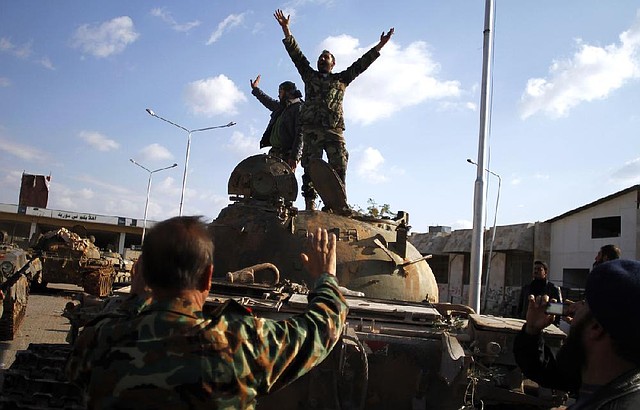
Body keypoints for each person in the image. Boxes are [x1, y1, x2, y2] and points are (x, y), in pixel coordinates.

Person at [65, 216, 348, 409]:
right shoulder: (240, 342)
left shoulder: (98, 339)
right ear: (208, 278)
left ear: (140, 273)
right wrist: (326, 277)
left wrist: (135, 298)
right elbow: (322, 327)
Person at [274, 9, 394, 212]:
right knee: (310, 167)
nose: (322, 59)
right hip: (311, 130)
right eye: (320, 57)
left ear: (333, 63)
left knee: (339, 166)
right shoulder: (309, 76)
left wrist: (380, 46)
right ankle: (310, 202)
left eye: (326, 57)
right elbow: (297, 56)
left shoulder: (342, 79)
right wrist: (287, 30)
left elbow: (361, 64)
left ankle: (338, 204)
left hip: (333, 130)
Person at [513, 259, 640, 408]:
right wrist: (532, 331)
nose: (574, 308)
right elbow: (545, 372)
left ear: (596, 327)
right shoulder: (597, 378)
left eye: (584, 303)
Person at [250, 74, 304, 171]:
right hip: (275, 152)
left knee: (283, 182)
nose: (278, 95)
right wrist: (256, 90)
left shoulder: (299, 108)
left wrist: (295, 156)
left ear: (288, 93)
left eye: (280, 92)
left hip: (287, 154)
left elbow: (301, 134)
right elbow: (268, 101)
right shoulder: (282, 107)